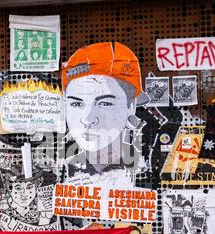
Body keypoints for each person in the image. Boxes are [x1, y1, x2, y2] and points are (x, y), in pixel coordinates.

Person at [61, 42, 150, 188]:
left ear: (131, 106)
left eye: (105, 104)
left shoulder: (143, 167)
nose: (88, 119)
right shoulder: (62, 166)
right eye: (76, 104)